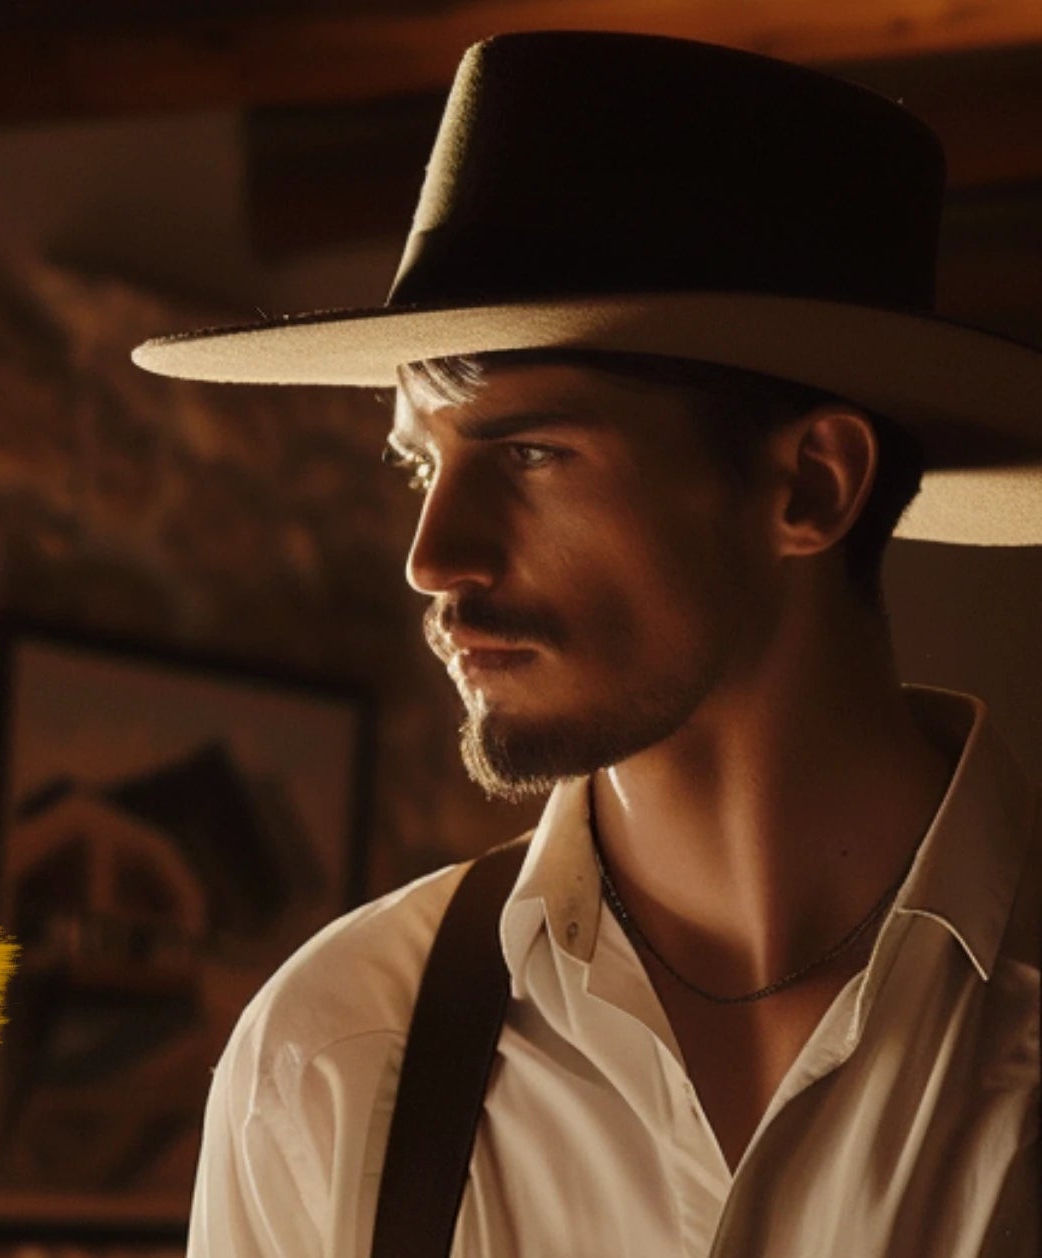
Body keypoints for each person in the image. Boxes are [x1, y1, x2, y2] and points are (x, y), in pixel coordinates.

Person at [129, 30, 1041, 1258]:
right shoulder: (337, 1054)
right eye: (420, 464)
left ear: (809, 486)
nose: (432, 555)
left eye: (527, 455)